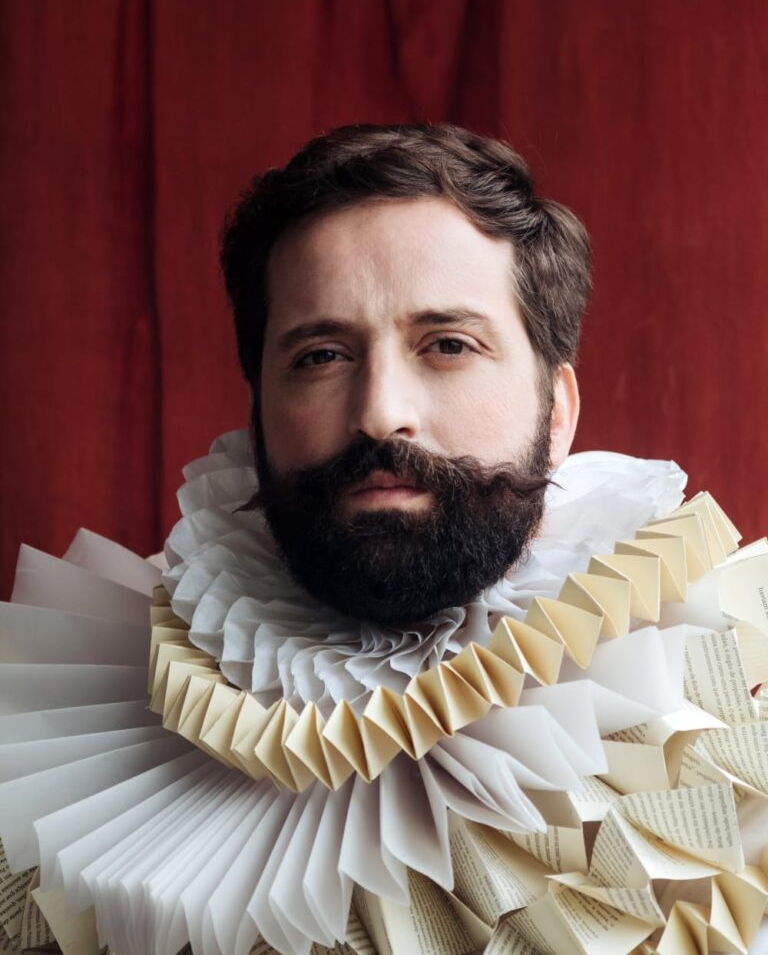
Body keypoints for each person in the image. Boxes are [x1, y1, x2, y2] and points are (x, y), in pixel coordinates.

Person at [1, 124, 766, 955]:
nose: (378, 412)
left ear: (559, 414)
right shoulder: (61, 721)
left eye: (448, 345)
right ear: (258, 413)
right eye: (322, 355)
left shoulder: (737, 700)